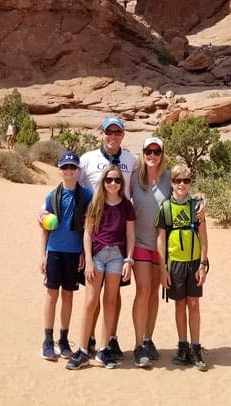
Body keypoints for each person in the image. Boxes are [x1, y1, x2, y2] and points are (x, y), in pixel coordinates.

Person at [76, 116, 137, 362]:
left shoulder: (130, 160)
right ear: (101, 133)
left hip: (119, 240)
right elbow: (72, 187)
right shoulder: (87, 159)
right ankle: (87, 340)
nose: (112, 136)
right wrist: (45, 208)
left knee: (113, 295)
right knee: (92, 295)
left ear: (123, 135)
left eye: (117, 132)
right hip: (93, 236)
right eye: (108, 132)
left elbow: (141, 189)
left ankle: (108, 339)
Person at [66, 165, 136, 370]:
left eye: (117, 180)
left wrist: (128, 260)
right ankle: (83, 349)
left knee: (110, 301)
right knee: (90, 301)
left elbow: (130, 235)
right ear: (103, 182)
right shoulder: (95, 203)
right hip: (97, 255)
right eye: (109, 180)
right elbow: (87, 233)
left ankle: (104, 349)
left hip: (116, 256)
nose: (113, 183)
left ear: (121, 183)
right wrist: (88, 259)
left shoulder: (126, 206)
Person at [39, 151, 92, 361]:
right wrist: (42, 255)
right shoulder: (52, 196)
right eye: (65, 168)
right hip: (54, 251)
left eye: (72, 167)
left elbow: (89, 225)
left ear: (78, 170)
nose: (69, 171)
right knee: (52, 295)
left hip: (73, 253)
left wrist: (83, 252)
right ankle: (47, 340)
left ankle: (63, 339)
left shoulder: (86, 195)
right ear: (60, 171)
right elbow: (44, 227)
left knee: (68, 295)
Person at [156, 164, 209, 370]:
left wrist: (203, 263)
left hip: (194, 262)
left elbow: (203, 235)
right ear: (171, 183)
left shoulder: (197, 207)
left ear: (190, 183)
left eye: (186, 181)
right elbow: (160, 239)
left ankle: (195, 347)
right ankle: (182, 345)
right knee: (179, 304)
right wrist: (163, 268)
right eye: (178, 180)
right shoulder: (166, 208)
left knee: (193, 304)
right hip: (175, 262)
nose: (182, 184)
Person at [129, 136, 170, 367]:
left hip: (161, 246)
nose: (152, 155)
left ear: (162, 154)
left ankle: (148, 338)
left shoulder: (168, 178)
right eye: (148, 151)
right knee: (143, 290)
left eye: (156, 151)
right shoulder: (135, 178)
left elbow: (186, 194)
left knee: (154, 291)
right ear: (142, 153)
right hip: (140, 243)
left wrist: (201, 204)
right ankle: (138, 346)